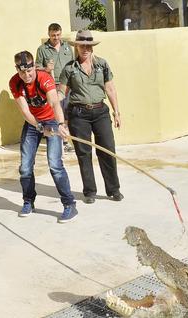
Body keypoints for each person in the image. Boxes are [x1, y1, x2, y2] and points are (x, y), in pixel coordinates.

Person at [8, 50, 77, 222]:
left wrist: (60, 124)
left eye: (29, 71)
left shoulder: (44, 78)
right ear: (17, 70)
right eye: (22, 72)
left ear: (34, 67)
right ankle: (28, 201)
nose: (27, 75)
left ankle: (69, 204)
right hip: (33, 122)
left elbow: (55, 102)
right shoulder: (15, 83)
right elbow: (24, 110)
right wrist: (39, 127)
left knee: (55, 164)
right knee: (25, 167)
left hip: (52, 120)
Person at [59, 30, 123, 204]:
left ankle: (113, 189)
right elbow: (61, 94)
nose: (85, 49)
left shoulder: (102, 65)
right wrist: (58, 118)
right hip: (78, 114)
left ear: (92, 47)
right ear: (77, 47)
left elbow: (110, 88)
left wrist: (116, 112)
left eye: (88, 45)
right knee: (83, 152)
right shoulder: (69, 68)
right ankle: (90, 191)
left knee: (107, 149)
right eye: (81, 45)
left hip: (100, 112)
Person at [35, 22, 74, 153]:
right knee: (57, 113)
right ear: (49, 34)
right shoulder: (42, 49)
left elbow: (73, 65)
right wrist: (47, 69)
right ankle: (61, 141)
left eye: (58, 35)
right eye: (53, 35)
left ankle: (65, 140)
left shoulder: (67, 48)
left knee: (67, 112)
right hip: (52, 85)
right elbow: (37, 68)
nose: (56, 38)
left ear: (60, 34)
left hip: (68, 84)